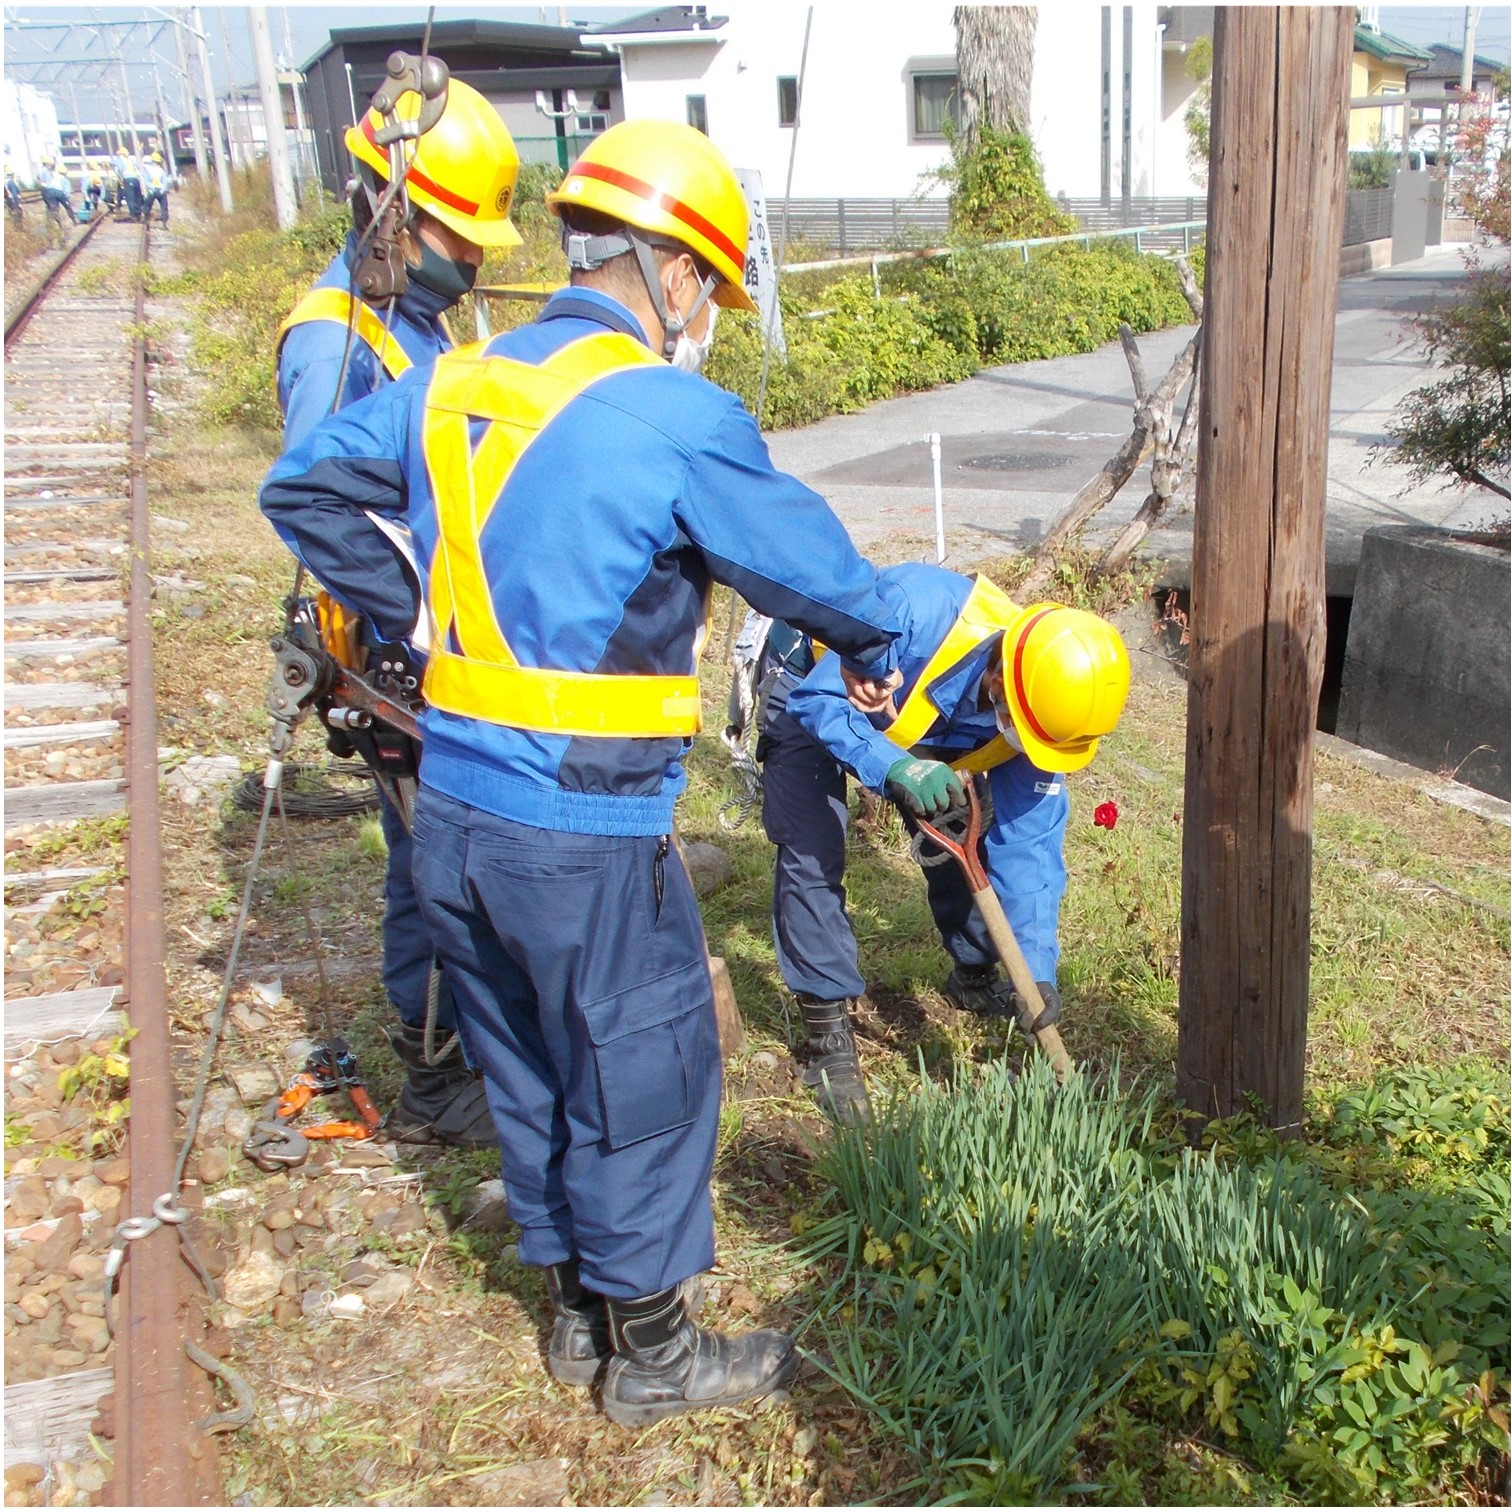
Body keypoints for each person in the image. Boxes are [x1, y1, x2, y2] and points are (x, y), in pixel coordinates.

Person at [261, 117, 903, 1425]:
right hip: (584, 832)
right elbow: (820, 577)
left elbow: (304, 491)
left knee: (529, 1063)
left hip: (450, 819)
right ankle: (655, 1362)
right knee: (643, 1074)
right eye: (709, 291)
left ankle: (571, 1318)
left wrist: (410, 615)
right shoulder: (665, 412)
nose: (703, 315)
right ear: (672, 272)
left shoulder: (456, 382)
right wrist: (882, 644)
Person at [272, 75, 524, 1150]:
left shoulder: (409, 321)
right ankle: (433, 1080)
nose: (473, 259)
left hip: (441, 643)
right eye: (458, 237)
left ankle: (468, 1038)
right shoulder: (335, 342)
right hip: (392, 657)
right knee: (428, 863)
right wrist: (412, 621)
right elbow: (313, 507)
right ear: (389, 206)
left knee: (453, 855)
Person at [754, 563, 1130, 1120]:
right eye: (1023, 733)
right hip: (812, 686)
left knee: (959, 833)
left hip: (924, 723)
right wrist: (896, 768)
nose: (1022, 747)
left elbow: (1028, 851)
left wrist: (1035, 972)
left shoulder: (1041, 708)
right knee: (812, 844)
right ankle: (826, 1034)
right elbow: (820, 703)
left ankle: (975, 971)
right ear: (1003, 682)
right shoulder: (913, 612)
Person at [36, 158, 73, 228]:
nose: (51, 165)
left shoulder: (45, 171)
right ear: (47, 163)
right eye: (50, 163)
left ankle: (53, 223)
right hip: (48, 190)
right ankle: (54, 223)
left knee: (51, 207)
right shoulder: (44, 171)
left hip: (49, 190)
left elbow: (38, 179)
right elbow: (43, 182)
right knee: (56, 207)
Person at [140, 151, 170, 226]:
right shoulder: (162, 171)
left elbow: (146, 180)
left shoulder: (148, 170)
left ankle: (145, 218)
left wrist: (151, 188)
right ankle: (164, 222)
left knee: (147, 204)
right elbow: (165, 181)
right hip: (161, 190)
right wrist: (162, 190)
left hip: (152, 190)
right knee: (164, 207)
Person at [114, 147, 141, 221]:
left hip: (127, 180)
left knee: (130, 198)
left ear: (120, 154)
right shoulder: (131, 160)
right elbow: (137, 167)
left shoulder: (120, 160)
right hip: (135, 179)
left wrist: (121, 178)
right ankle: (139, 213)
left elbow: (120, 169)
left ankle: (133, 215)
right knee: (137, 197)